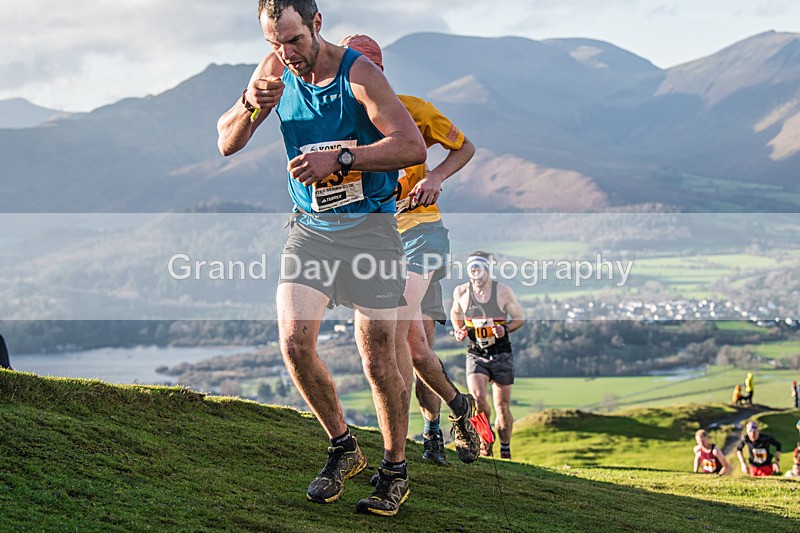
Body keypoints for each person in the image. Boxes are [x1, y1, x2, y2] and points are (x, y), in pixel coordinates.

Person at [217, 0, 426, 517]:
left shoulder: (360, 75)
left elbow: (412, 146)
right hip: (311, 229)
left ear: (316, 24)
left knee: (378, 356)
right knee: (294, 342)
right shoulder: (273, 70)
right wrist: (248, 103)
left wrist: (344, 158)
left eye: (293, 40)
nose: (286, 53)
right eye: (274, 43)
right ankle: (343, 446)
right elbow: (226, 143)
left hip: (372, 229)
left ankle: (394, 470)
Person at [340, 34, 480, 467]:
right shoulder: (338, 124)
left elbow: (465, 146)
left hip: (423, 232)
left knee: (399, 332)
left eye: (368, 68)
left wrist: (435, 177)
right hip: (380, 241)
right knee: (416, 348)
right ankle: (458, 407)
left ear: (378, 71)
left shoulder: (414, 110)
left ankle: (412, 443)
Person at [451, 252, 524, 459]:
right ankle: (485, 441)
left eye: (479, 270)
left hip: (501, 354)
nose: (476, 275)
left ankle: (505, 448)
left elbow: (519, 317)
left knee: (502, 406)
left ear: (487, 271)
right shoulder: (462, 291)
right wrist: (459, 330)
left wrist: (505, 329)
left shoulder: (502, 291)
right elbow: (455, 313)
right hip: (476, 353)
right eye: (472, 270)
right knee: (478, 399)